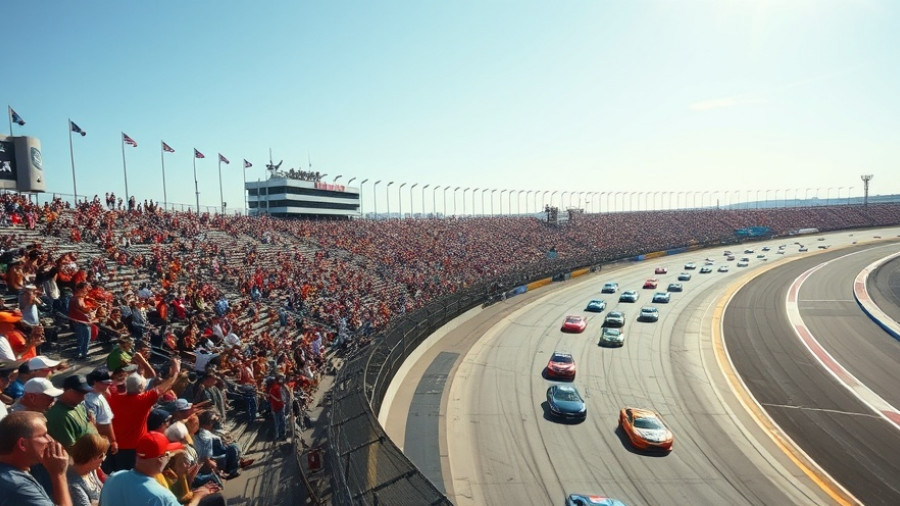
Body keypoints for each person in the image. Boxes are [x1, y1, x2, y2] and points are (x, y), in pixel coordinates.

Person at [100, 431, 218, 506]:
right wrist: (198, 496)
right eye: (168, 455)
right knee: (216, 499)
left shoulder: (113, 478)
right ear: (160, 460)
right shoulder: (161, 496)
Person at [106, 358, 181, 472]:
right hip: (131, 450)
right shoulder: (143, 401)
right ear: (141, 388)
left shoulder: (113, 396)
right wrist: (175, 373)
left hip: (112, 445)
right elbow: (164, 387)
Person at [0, 411, 72, 506]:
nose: (50, 440)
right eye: (43, 435)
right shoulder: (18, 485)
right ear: (22, 444)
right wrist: (59, 475)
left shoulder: (12, 470)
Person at [193, 410, 253, 480]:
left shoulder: (209, 431)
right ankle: (233, 468)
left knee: (234, 446)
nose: (213, 423)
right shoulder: (202, 435)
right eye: (211, 422)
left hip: (217, 451)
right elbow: (205, 454)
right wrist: (209, 461)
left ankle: (236, 465)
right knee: (232, 450)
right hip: (212, 458)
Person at [44, 374, 96, 448]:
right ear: (67, 390)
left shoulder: (79, 405)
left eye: (85, 393)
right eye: (79, 393)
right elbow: (70, 449)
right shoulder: (59, 416)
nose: (83, 397)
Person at [83, 368, 118, 460]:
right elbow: (92, 425)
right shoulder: (90, 400)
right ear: (95, 382)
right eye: (106, 382)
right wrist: (109, 442)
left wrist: (112, 441)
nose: (109, 384)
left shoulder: (98, 393)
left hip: (104, 443)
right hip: (97, 445)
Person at [66, 433, 109, 506]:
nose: (103, 459)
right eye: (102, 456)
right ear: (93, 459)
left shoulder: (91, 470)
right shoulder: (74, 485)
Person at [68, 283, 94, 360]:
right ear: (79, 289)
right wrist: (89, 309)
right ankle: (80, 354)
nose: (86, 290)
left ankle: (84, 354)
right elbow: (81, 308)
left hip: (86, 321)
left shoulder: (82, 298)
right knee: (81, 339)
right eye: (85, 288)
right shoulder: (75, 299)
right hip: (79, 322)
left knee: (86, 339)